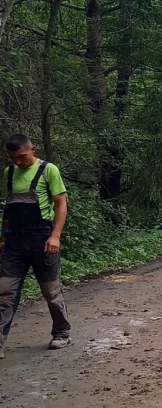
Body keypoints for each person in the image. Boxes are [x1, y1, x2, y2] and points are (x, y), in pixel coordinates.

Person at [0, 134, 70, 359]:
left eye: (21, 157)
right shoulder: (8, 173)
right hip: (14, 242)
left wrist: (55, 236)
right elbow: (8, 209)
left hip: (43, 240)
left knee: (51, 291)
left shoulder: (49, 170)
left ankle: (62, 333)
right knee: (5, 292)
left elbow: (61, 203)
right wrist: (3, 237)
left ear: (33, 150)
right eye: (13, 158)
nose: (18, 162)